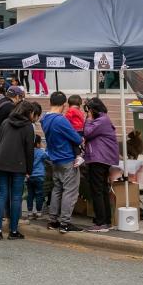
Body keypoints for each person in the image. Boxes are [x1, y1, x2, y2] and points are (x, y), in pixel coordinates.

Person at [0, 101, 36, 240]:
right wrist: (29, 169)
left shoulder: (5, 122)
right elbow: (29, 150)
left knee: (1, 195)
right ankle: (13, 231)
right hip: (19, 164)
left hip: (0, 162)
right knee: (16, 197)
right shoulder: (28, 126)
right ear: (29, 113)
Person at [41, 91, 84, 234]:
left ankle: (53, 220)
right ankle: (65, 223)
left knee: (57, 189)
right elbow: (77, 139)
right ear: (64, 104)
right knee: (70, 192)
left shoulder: (44, 119)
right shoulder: (61, 120)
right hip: (67, 159)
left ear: (50, 102)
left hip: (54, 159)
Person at [82, 97, 119, 232]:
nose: (88, 112)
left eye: (89, 109)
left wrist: (89, 118)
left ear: (93, 109)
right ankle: (106, 221)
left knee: (97, 190)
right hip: (102, 158)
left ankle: (101, 222)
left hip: (98, 158)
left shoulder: (100, 120)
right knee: (102, 189)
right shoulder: (104, 119)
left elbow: (87, 133)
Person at [26, 135, 47, 220]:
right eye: (41, 142)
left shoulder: (28, 152)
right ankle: (38, 212)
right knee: (39, 194)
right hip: (39, 176)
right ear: (38, 144)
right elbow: (48, 157)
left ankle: (30, 212)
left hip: (29, 176)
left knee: (30, 194)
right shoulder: (41, 152)